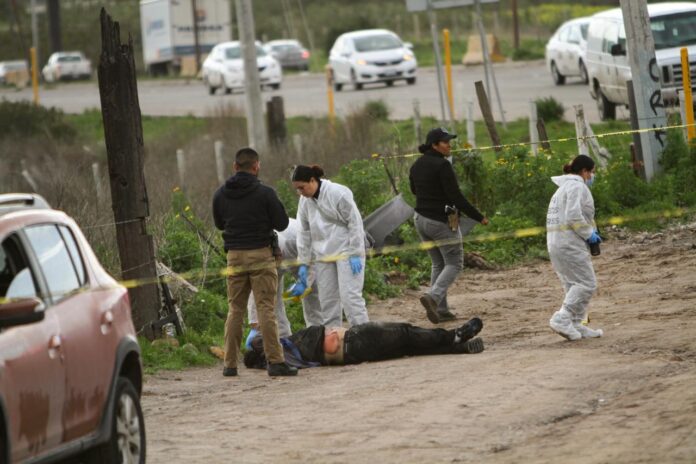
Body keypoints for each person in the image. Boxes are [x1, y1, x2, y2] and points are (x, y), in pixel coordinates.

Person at [212, 147, 298, 377]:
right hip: (261, 254)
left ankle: (229, 365)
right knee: (266, 309)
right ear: (256, 166)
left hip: (234, 256)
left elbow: (220, 224)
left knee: (235, 309)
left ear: (234, 167)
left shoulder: (220, 194)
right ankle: (275, 362)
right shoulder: (265, 193)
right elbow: (281, 224)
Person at [409, 127, 489, 324]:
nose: (449, 145)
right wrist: (479, 217)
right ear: (434, 145)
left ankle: (442, 310)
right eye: (445, 142)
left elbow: (413, 190)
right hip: (439, 222)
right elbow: (456, 197)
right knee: (454, 263)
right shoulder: (442, 166)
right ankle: (433, 297)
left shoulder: (417, 164)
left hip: (420, 220)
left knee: (439, 263)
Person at [291, 164, 369, 328]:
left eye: (302, 187)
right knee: (328, 301)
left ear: (312, 180)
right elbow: (303, 232)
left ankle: (364, 335)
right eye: (297, 189)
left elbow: (355, 223)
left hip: (346, 251)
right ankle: (333, 338)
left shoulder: (338, 192)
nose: (300, 192)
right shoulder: (304, 201)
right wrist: (304, 263)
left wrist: (355, 252)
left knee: (350, 298)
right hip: (323, 255)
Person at [244, 317, 485, 369]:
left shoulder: (286, 354)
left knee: (406, 346)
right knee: (405, 332)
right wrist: (251, 341)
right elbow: (256, 341)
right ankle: (454, 335)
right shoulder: (282, 351)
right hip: (352, 340)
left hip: (353, 350)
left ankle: (458, 347)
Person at [546, 154, 603, 341]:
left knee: (572, 284)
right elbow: (573, 216)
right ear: (584, 171)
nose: (592, 176)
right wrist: (590, 234)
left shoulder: (563, 188)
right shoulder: (577, 186)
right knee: (587, 283)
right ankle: (562, 318)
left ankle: (576, 323)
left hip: (556, 242)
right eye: (592, 172)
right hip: (569, 243)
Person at [247, 218, 323, 336]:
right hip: (271, 262)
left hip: (302, 256)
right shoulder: (256, 252)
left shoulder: (296, 239)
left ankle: (317, 336)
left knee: (312, 294)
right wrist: (254, 322)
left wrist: (304, 283)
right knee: (272, 299)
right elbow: (256, 288)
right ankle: (283, 339)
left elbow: (312, 263)